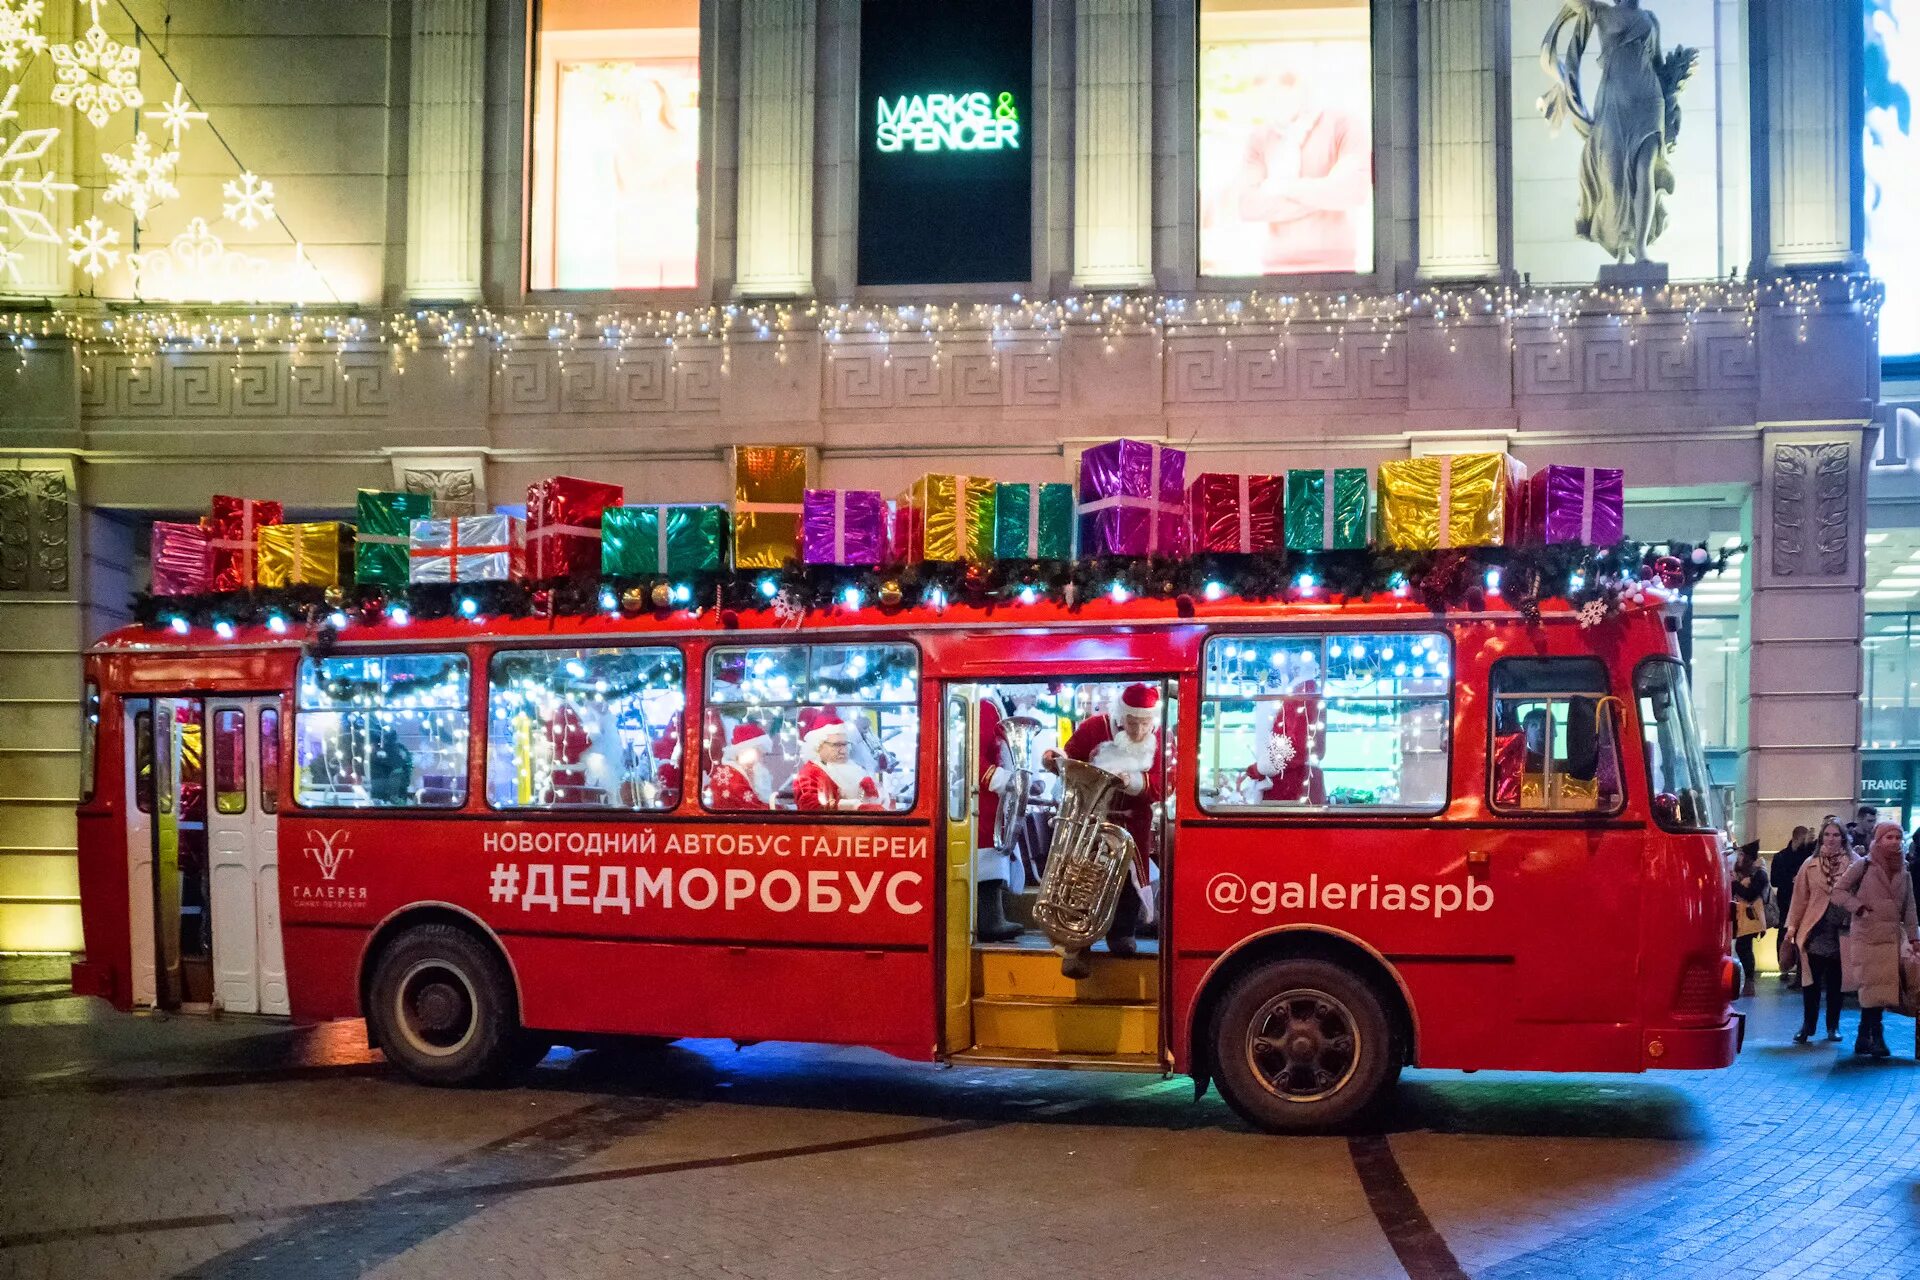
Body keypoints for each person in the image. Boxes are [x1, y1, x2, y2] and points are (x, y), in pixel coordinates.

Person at [1045, 683, 1163, 978]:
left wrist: (1135, 781)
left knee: (1127, 881)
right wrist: (1053, 758)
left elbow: (1165, 782)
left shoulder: (1162, 738)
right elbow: (1069, 760)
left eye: (1144, 724)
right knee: (1084, 878)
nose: (1138, 731)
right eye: (1133, 723)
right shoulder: (1093, 728)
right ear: (1122, 716)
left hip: (1135, 823)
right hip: (1090, 819)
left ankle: (1122, 934)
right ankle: (1076, 945)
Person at [1831, 822, 1919, 1058]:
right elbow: (1838, 892)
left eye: (1897, 837)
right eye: (1888, 837)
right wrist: (1858, 908)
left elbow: (1909, 907)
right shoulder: (1864, 864)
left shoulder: (1904, 869)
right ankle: (1875, 1036)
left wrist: (1914, 938)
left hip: (1890, 938)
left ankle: (1865, 1035)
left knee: (1879, 988)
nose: (1894, 842)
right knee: (1872, 987)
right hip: (1867, 936)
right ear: (1878, 840)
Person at [1782, 821, 1862, 1045]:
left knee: (1837, 983)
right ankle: (1808, 1026)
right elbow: (1800, 898)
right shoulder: (1810, 864)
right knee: (1810, 982)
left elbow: (1861, 894)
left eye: (1836, 835)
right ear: (1821, 838)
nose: (1831, 838)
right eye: (1827, 834)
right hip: (1815, 929)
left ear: (1843, 838)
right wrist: (1792, 927)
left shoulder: (1855, 863)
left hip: (1842, 930)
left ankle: (1833, 1026)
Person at [973, 694, 1035, 943]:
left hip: (995, 799)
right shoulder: (986, 707)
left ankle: (994, 915)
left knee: (996, 854)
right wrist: (1000, 779)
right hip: (985, 799)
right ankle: (989, 919)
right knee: (989, 856)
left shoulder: (994, 705)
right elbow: (970, 755)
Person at [793, 711, 882, 812]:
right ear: (818, 746)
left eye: (845, 744)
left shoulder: (854, 768)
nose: (843, 750)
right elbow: (809, 806)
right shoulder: (810, 773)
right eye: (836, 745)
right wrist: (854, 806)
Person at [1771, 826, 1813, 985]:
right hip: (1788, 900)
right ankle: (1785, 966)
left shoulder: (1804, 856)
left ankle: (1791, 969)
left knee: (1789, 934)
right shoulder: (1783, 857)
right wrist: (1791, 880)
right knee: (1785, 934)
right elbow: (1774, 880)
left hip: (1792, 900)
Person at [1730, 841, 1769, 998]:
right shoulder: (1745, 872)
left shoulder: (1759, 874)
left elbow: (1750, 894)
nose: (1739, 858)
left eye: (1741, 855)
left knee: (1743, 947)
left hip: (1751, 918)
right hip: (1744, 917)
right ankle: (1748, 983)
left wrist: (1734, 884)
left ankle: (1750, 982)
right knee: (1744, 947)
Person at [709, 722, 773, 810]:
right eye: (757, 750)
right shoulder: (730, 776)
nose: (760, 754)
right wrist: (782, 809)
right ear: (744, 750)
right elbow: (751, 807)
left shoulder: (748, 771)